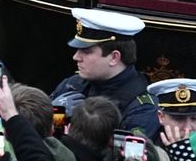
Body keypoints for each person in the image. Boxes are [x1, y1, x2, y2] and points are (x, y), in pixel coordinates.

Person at [50, 8, 159, 138]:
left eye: (86, 51)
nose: (76, 57)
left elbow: (127, 152)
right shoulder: (73, 84)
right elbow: (50, 141)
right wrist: (56, 115)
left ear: (114, 57)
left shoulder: (141, 108)